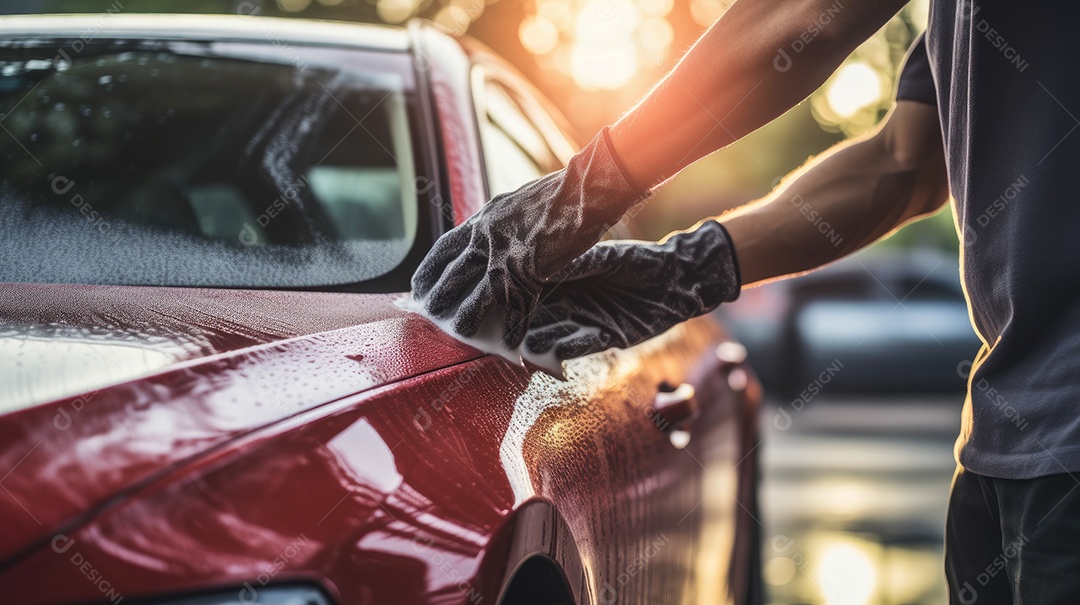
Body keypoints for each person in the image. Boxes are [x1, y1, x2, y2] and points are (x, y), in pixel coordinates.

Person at [412, 2, 1080, 601]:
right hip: (1004, 440)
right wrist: (683, 271)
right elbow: (903, 164)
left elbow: (800, 18)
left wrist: (583, 192)